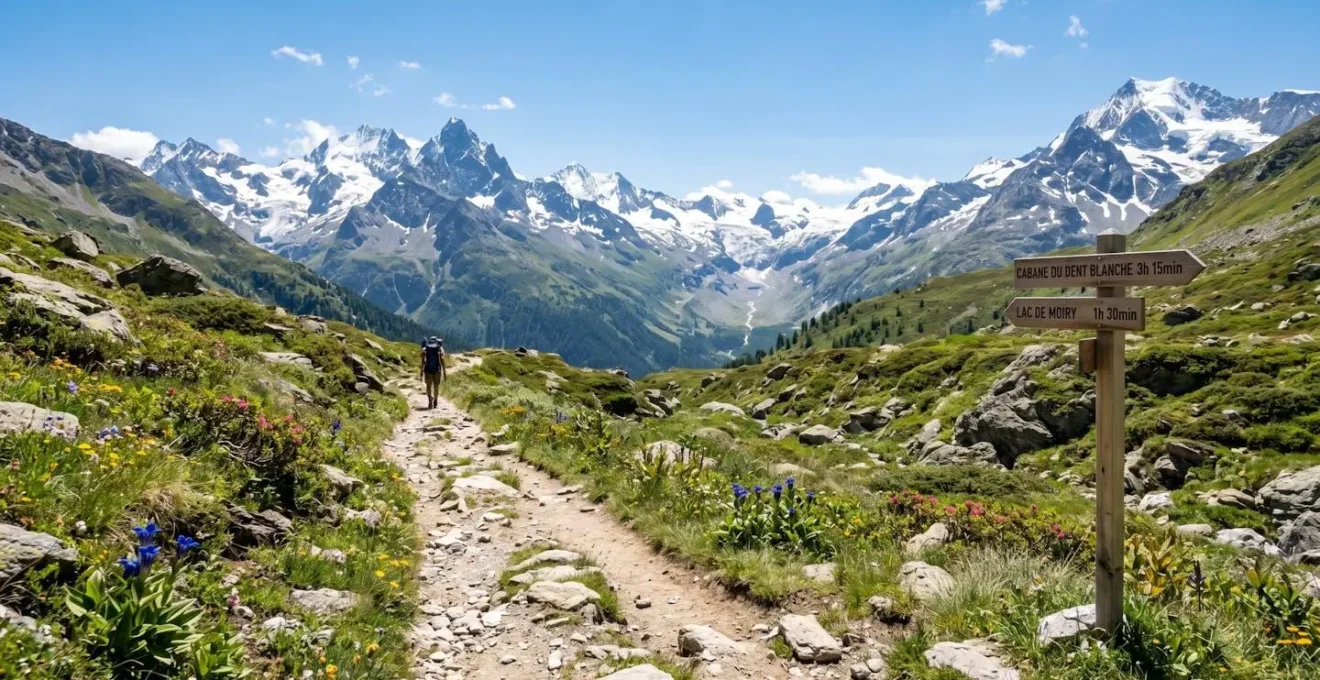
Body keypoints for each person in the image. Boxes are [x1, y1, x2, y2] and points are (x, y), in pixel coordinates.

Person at [420, 336, 446, 409]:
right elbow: (442, 360)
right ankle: (435, 401)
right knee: (436, 387)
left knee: (428, 386)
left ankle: (430, 399)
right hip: (437, 370)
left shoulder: (426, 348)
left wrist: (421, 372)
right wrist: (444, 372)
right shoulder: (439, 348)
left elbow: (422, 359)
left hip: (428, 370)